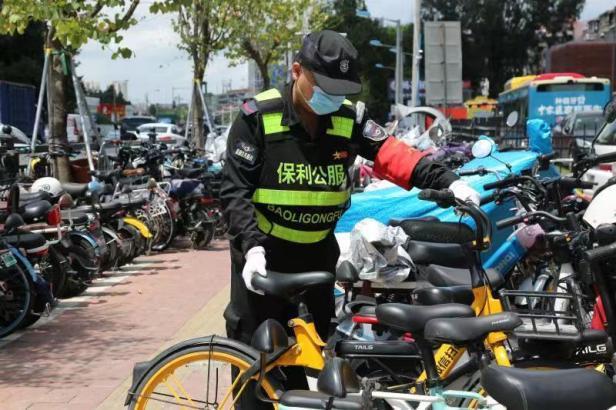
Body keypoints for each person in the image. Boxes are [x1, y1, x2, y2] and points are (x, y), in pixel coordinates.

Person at [220, 29, 480, 408]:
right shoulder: (258, 118)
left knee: (313, 362)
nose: (332, 98)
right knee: (255, 367)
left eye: (340, 90)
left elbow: (395, 155)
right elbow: (234, 191)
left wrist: (450, 182)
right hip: (264, 259)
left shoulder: (347, 119)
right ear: (297, 71)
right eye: (325, 87)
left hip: (316, 260)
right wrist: (252, 248)